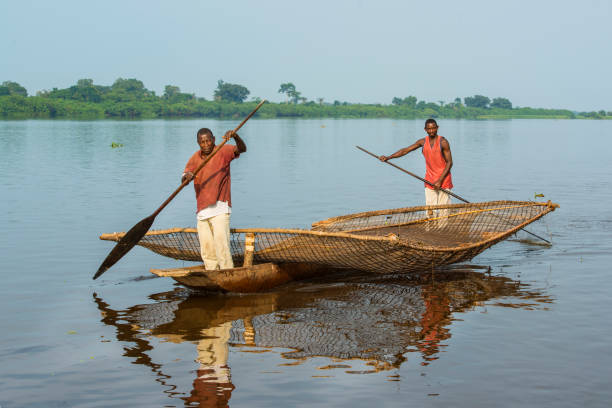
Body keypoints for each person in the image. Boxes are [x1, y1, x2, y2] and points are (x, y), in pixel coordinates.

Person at [182, 128, 246, 270]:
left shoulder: (223, 151)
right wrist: (187, 178)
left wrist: (235, 136)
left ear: (214, 139)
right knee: (207, 251)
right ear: (198, 143)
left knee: (222, 247)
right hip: (202, 211)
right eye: (202, 142)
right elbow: (184, 177)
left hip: (220, 208)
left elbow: (242, 149)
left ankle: (227, 274)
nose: (206, 145)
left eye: (208, 140)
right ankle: (212, 274)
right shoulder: (195, 157)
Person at [379, 118, 453, 216]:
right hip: (429, 179)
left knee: (444, 210)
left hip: (444, 179)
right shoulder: (422, 142)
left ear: (437, 128)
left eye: (433, 128)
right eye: (429, 129)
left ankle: (442, 229)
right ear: (425, 129)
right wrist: (389, 157)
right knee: (430, 210)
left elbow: (449, 163)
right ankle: (431, 228)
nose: (431, 131)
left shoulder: (443, 142)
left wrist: (440, 180)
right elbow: (405, 150)